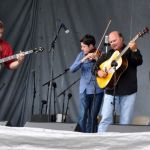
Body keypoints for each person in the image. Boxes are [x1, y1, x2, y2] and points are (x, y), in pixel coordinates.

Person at [94, 31, 143, 132]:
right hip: (111, 90)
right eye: (111, 42)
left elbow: (139, 61)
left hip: (128, 91)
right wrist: (98, 72)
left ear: (121, 39)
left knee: (125, 122)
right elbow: (94, 67)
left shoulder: (130, 51)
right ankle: (100, 143)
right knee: (105, 119)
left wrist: (135, 50)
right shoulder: (108, 55)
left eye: (114, 40)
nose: (112, 43)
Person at [70, 34, 104, 133]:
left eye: (84, 46)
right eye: (82, 46)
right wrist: (83, 59)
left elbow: (105, 70)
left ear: (91, 46)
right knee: (82, 115)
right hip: (84, 89)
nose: (82, 48)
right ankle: (80, 137)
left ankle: (91, 138)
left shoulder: (100, 54)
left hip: (97, 90)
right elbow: (72, 69)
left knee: (93, 117)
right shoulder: (81, 55)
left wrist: (97, 59)